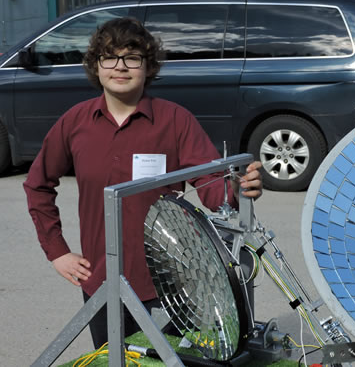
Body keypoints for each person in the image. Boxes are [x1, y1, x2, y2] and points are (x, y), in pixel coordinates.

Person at [23, 17, 262, 348]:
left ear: (148, 66)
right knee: (112, 359)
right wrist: (57, 251)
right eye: (110, 57)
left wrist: (236, 189)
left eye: (132, 58)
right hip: (101, 283)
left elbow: (211, 185)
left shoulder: (175, 120)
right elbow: (37, 185)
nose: (120, 67)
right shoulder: (75, 122)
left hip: (168, 285)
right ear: (96, 66)